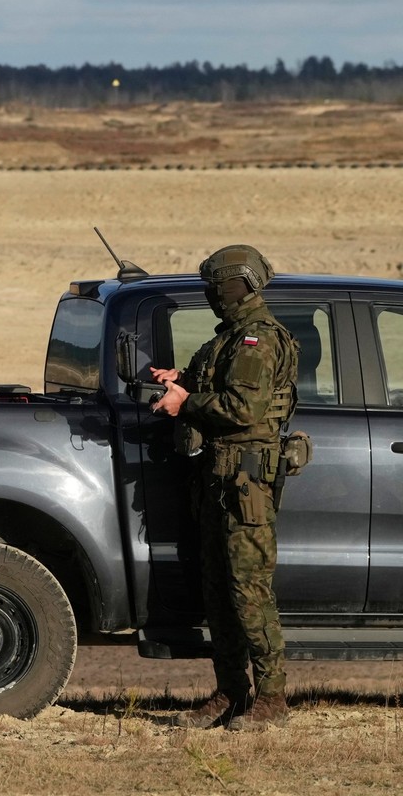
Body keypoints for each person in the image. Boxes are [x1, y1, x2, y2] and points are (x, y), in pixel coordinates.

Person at [149, 244, 298, 731]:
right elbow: (210, 382)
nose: (215, 297)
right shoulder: (227, 340)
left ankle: (271, 700)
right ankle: (231, 692)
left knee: (249, 592)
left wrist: (185, 404)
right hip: (217, 482)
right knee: (218, 593)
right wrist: (179, 381)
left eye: (219, 287)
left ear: (239, 285)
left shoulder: (259, 339)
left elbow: (242, 409)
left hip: (246, 486)